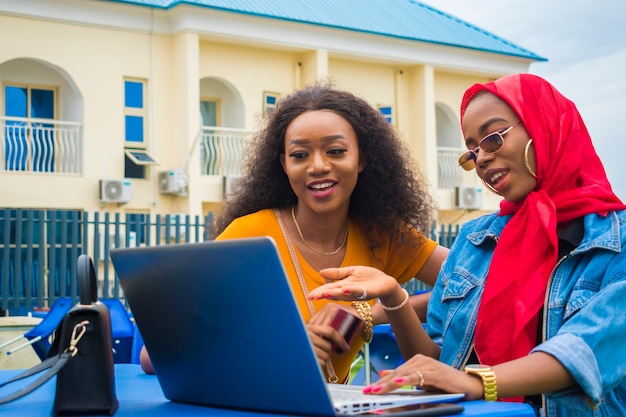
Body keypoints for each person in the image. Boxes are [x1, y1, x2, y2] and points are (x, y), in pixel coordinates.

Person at [308, 73, 626, 415]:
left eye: (492, 139)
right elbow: (439, 365)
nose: (482, 158)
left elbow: (585, 353)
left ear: (543, 125)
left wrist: (478, 382)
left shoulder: (615, 242)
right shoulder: (475, 240)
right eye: (472, 151)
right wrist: (394, 296)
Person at [139, 82, 448, 382]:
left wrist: (371, 313)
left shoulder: (384, 235)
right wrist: (279, 346)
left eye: (336, 151)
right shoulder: (249, 235)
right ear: (284, 164)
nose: (317, 166)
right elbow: (152, 357)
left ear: (362, 159)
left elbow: (480, 287)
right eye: (300, 155)